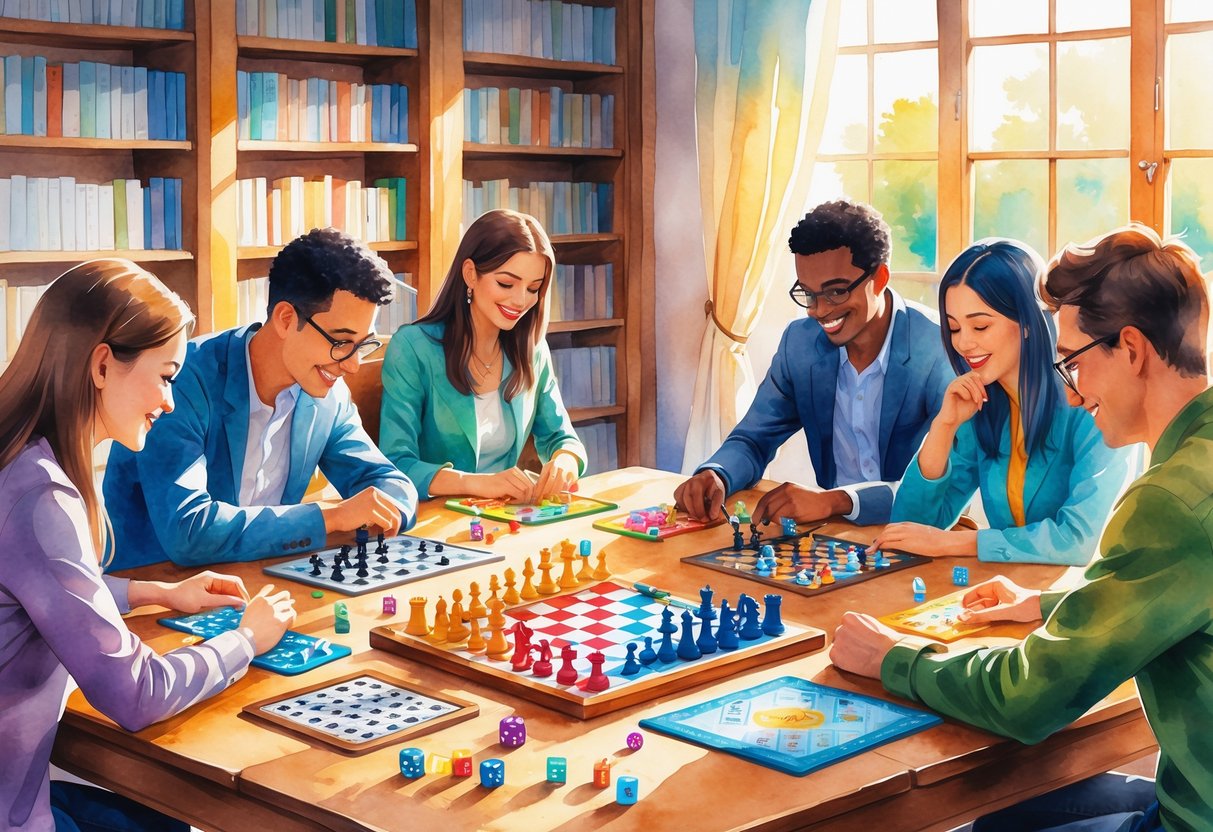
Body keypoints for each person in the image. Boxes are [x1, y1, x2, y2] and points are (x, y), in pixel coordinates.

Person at [831, 224, 1213, 832]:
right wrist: (1046, 600)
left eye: (1077, 362)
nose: (1072, 391)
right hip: (1184, 793)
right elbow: (1183, 583)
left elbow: (1030, 696)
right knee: (999, 817)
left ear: (1133, 349)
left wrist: (896, 658)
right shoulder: (1196, 464)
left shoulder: (1169, 499)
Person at [0, 259, 296, 832]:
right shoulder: (41, 498)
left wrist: (152, 592)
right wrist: (246, 640)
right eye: (165, 376)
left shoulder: (16, 459)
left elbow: (26, 588)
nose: (168, 401)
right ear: (103, 364)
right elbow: (138, 694)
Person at [104, 228, 418, 570]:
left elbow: (390, 484)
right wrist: (329, 516)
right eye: (341, 342)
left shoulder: (327, 394)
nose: (354, 365)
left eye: (363, 344)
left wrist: (392, 505)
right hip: (154, 592)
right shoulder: (181, 380)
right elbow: (189, 531)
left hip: (263, 579)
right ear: (286, 319)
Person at [674, 199, 952, 527]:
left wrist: (835, 501)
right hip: (833, 537)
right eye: (807, 293)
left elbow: (947, 487)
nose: (817, 311)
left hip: (920, 531)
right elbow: (754, 437)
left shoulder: (937, 348)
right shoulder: (801, 344)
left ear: (879, 279)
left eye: (835, 292)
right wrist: (717, 474)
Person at [873, 239, 1134, 564]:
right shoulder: (981, 406)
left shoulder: (1090, 403)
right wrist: (944, 425)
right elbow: (910, 529)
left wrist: (956, 544)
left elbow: (1077, 541)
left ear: (1026, 323)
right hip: (1003, 595)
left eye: (980, 325)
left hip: (1075, 599)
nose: (964, 343)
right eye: (954, 328)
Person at [379, 209, 585, 502]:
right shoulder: (413, 348)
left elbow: (562, 438)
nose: (520, 300)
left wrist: (565, 462)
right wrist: (474, 483)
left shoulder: (532, 350)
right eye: (506, 283)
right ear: (470, 274)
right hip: (436, 523)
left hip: (504, 521)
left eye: (533, 288)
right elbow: (396, 463)